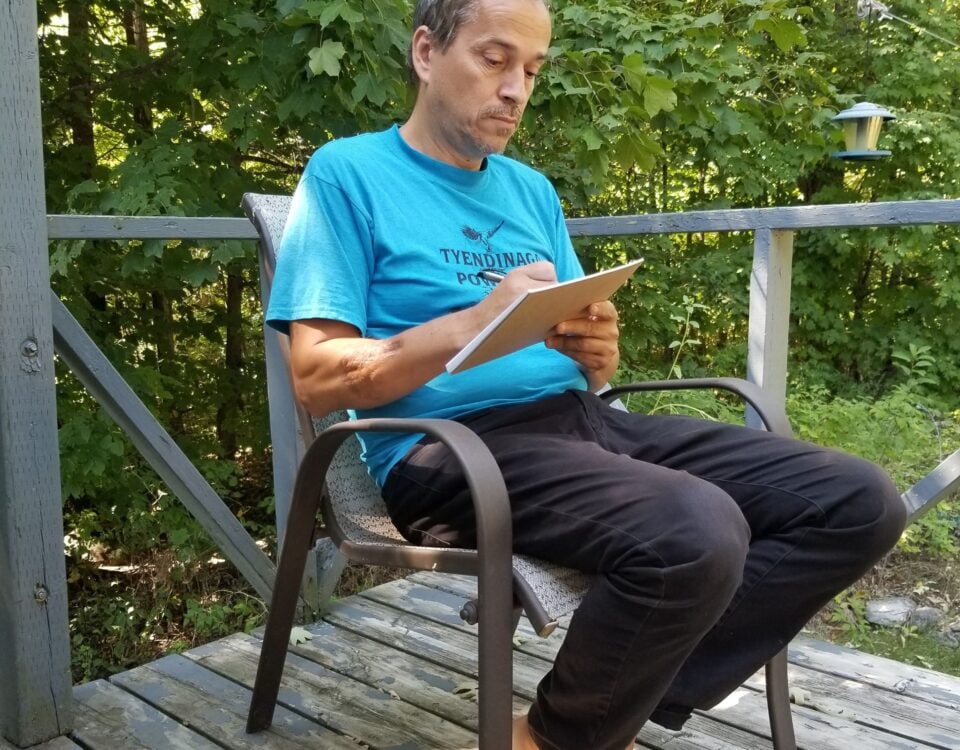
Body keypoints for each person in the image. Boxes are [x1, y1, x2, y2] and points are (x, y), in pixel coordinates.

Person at [266, 0, 908, 747]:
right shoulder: (347, 174)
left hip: (583, 424)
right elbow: (316, 378)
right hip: (449, 449)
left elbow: (584, 355)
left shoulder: (530, 190)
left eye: (533, 69)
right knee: (697, 528)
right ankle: (558, 736)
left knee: (857, 501)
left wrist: (597, 353)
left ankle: (614, 704)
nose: (516, 89)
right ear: (426, 52)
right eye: (495, 59)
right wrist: (477, 321)